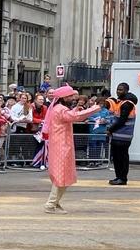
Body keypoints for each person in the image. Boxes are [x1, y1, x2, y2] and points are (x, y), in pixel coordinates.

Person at [42, 85, 101, 213]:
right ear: (64, 97)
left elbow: (71, 116)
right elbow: (75, 117)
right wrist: (94, 108)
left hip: (61, 144)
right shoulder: (60, 109)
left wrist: (76, 109)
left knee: (63, 175)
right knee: (61, 175)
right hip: (61, 145)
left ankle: (55, 202)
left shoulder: (58, 108)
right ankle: (51, 204)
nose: (72, 98)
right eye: (70, 96)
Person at [106, 82, 137, 186]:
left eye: (121, 90)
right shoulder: (122, 102)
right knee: (118, 157)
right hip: (121, 135)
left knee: (120, 158)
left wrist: (110, 129)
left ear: (126, 91)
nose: (118, 91)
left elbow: (121, 120)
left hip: (122, 136)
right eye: (118, 89)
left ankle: (122, 178)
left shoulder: (126, 104)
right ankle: (119, 177)